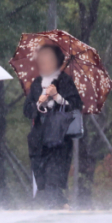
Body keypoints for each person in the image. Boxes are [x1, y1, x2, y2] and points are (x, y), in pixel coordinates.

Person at [24, 45, 83, 209]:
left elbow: (75, 105)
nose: (44, 64)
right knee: (43, 184)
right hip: (38, 141)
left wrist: (57, 97)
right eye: (41, 60)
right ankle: (62, 205)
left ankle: (59, 206)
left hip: (59, 141)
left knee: (53, 180)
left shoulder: (65, 81)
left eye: (48, 60)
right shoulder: (37, 83)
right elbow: (27, 110)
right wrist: (39, 104)